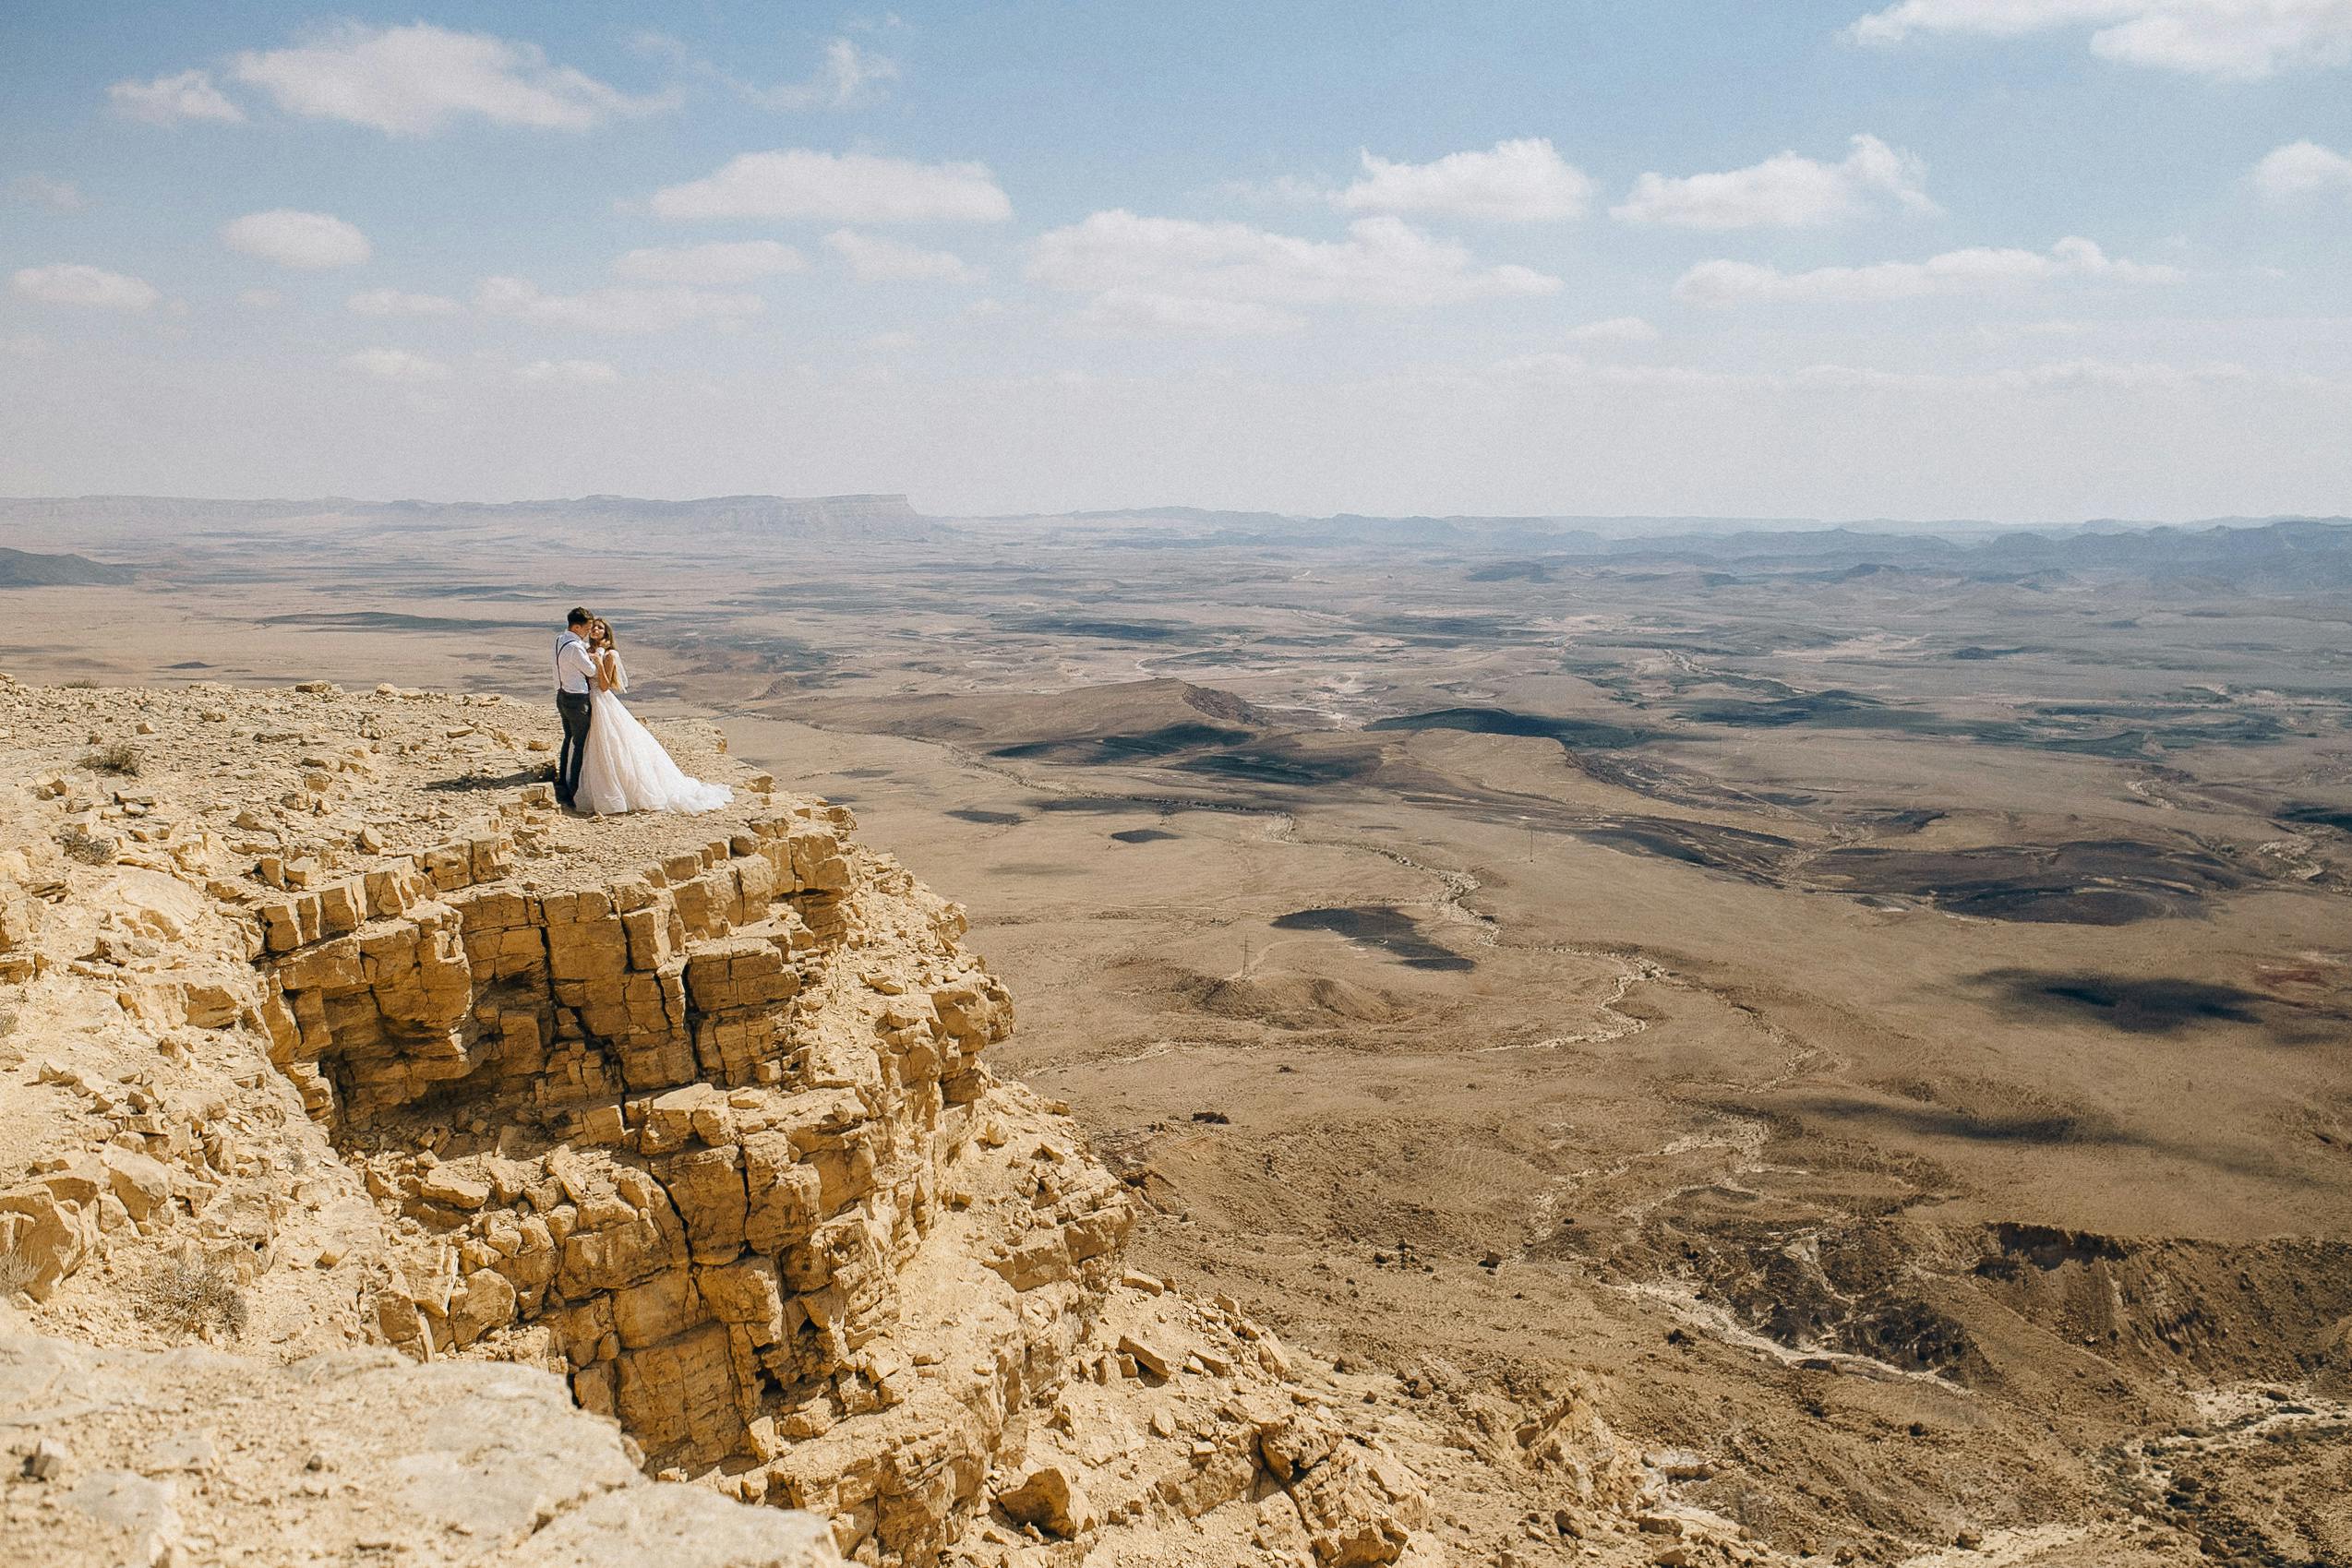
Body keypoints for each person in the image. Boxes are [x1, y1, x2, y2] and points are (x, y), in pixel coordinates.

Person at [571, 618, 735, 817]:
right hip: (589, 700)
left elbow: (605, 686)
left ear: (607, 633)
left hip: (601, 700)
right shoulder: (586, 649)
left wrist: (597, 662)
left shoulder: (609, 654)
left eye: (600, 628)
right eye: (593, 627)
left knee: (608, 743)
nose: (595, 630)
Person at [553, 606, 597, 808]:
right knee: (579, 743)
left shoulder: (560, 640)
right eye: (587, 628)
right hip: (577, 699)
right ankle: (574, 790)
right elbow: (591, 671)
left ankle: (563, 780)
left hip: (562, 694)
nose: (589, 631)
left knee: (568, 738)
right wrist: (595, 658)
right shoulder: (575, 647)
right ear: (577, 626)